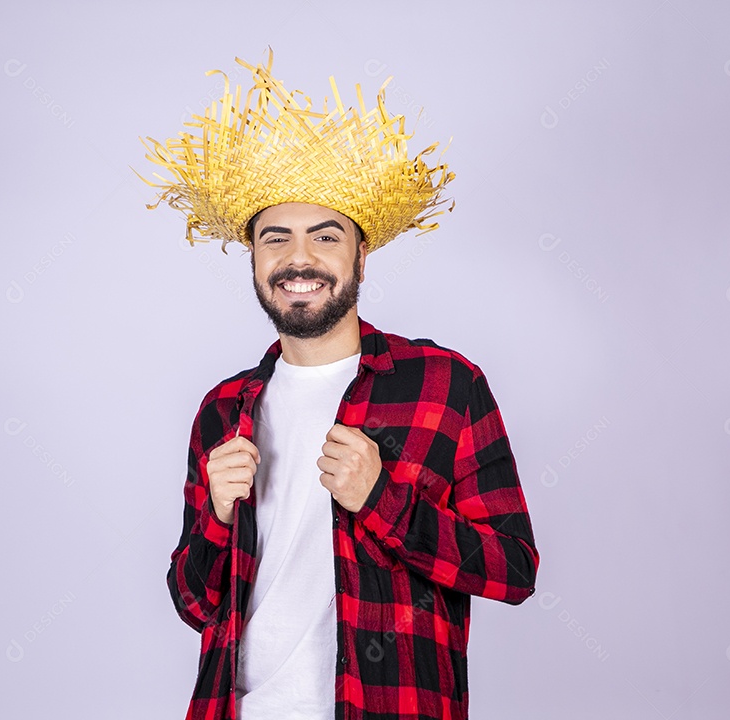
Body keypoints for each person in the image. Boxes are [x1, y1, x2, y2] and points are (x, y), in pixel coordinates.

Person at [138, 49, 539, 720]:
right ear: (255, 257)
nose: (300, 259)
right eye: (276, 239)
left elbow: (512, 569)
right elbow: (194, 602)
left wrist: (383, 499)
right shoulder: (222, 411)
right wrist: (216, 513)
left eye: (325, 237)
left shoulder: (446, 387)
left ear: (361, 252)